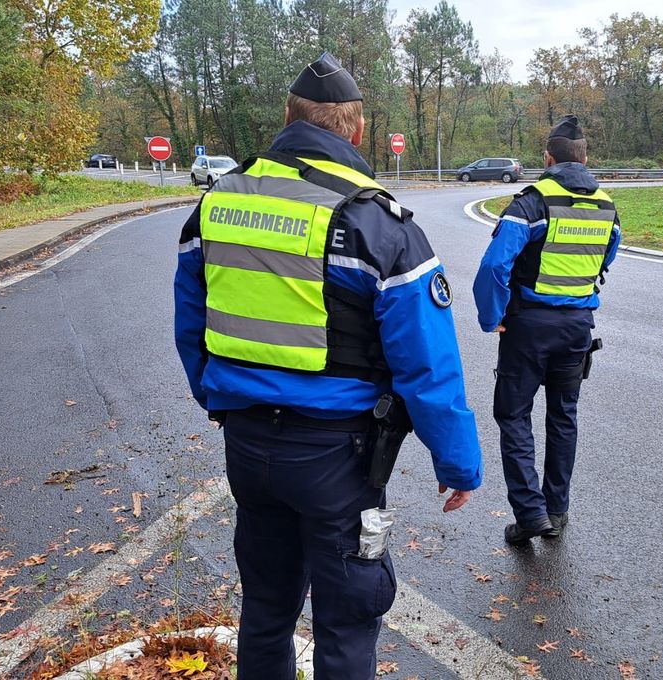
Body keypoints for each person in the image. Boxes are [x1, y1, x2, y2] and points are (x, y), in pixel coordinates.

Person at [173, 52, 483, 680]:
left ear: (288, 117)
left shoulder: (216, 204)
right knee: (347, 620)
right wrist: (458, 462)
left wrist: (219, 400)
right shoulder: (374, 221)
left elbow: (191, 324)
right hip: (336, 460)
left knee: (264, 609)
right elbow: (427, 367)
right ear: (357, 130)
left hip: (248, 445)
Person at [472, 115, 621, 545]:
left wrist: (491, 317)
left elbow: (494, 266)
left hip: (528, 327)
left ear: (547, 158)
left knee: (513, 414)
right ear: (586, 158)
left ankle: (530, 513)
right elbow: (606, 257)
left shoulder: (531, 203)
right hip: (577, 328)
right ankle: (557, 508)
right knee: (563, 416)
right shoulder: (607, 206)